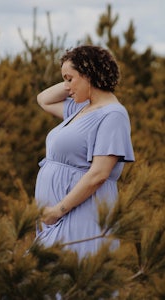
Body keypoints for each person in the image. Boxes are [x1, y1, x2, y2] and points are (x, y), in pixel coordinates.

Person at [34, 45, 135, 259]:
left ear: (88, 74)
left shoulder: (113, 115)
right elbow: (43, 99)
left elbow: (99, 174)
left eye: (70, 79)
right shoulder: (81, 108)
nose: (66, 86)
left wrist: (57, 211)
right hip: (58, 218)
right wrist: (71, 80)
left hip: (80, 215)